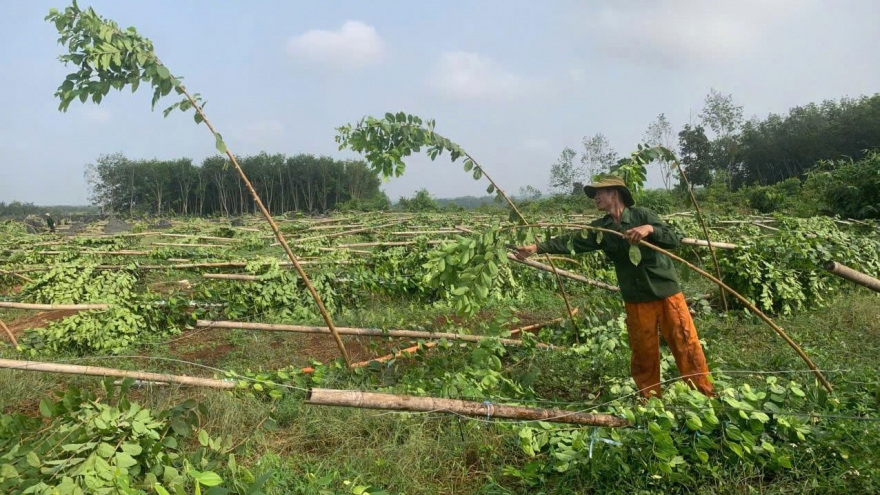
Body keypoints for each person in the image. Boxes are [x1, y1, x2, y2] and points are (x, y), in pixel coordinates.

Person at [513, 176, 714, 399]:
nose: (595, 198)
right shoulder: (602, 228)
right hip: (636, 296)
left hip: (665, 292)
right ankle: (650, 400)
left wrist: (649, 229)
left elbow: (673, 238)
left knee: (685, 342)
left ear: (615, 193)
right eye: (595, 194)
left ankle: (704, 395)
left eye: (600, 193)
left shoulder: (641, 215)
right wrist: (537, 248)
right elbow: (572, 241)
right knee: (643, 351)